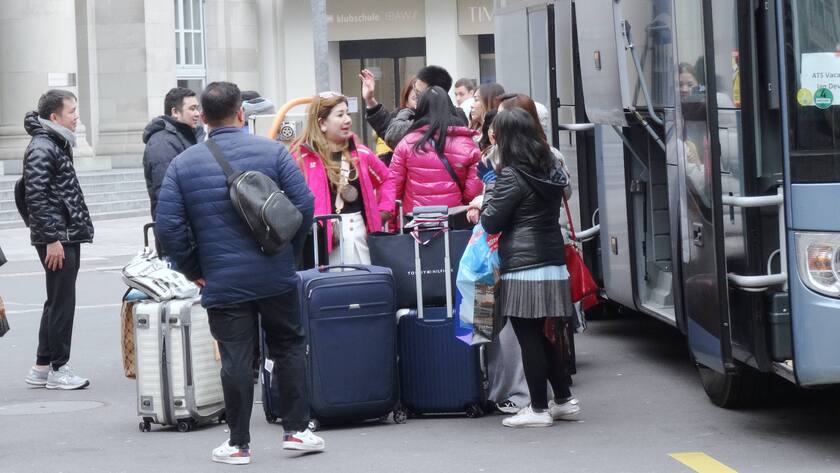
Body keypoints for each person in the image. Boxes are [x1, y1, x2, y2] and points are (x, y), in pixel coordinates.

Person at [155, 81, 323, 464]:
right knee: (288, 345)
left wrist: (195, 269)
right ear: (240, 113)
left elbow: (167, 226)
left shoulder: (184, 164)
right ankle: (296, 430)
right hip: (275, 273)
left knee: (234, 358)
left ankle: (239, 443)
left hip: (223, 280)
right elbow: (304, 204)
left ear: (204, 119)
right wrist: (287, 253)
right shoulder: (273, 152)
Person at [480, 108, 581, 428]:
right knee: (543, 333)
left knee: (528, 335)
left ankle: (538, 409)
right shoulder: (551, 168)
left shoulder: (511, 175)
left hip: (524, 265)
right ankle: (563, 399)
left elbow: (491, 219)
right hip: (552, 261)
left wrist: (488, 191)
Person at [22, 89, 94, 390]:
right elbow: (35, 196)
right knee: (62, 302)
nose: (76, 117)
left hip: (61, 234)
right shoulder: (43, 146)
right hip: (58, 237)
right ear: (55, 117)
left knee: (56, 301)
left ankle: (42, 367)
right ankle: (59, 368)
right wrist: (53, 238)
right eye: (72, 112)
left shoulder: (54, 142)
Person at [291, 92, 394, 265]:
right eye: (340, 115)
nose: (348, 120)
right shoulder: (301, 158)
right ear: (322, 123)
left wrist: (383, 210)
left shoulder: (362, 153)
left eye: (347, 113)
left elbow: (387, 179)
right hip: (319, 241)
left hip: (360, 236)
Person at [388, 85, 482, 215]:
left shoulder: (407, 143)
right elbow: (472, 192)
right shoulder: (467, 144)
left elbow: (393, 189)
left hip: (416, 223)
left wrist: (393, 227)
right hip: (454, 220)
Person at [361, 65, 467, 149]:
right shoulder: (457, 117)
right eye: (414, 90)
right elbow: (389, 130)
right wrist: (370, 100)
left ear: (435, 95)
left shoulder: (430, 124)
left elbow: (393, 135)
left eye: (418, 93)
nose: (415, 96)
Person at [142, 87, 204, 219]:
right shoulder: (162, 142)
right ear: (175, 112)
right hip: (178, 228)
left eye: (197, 108)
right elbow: (167, 196)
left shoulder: (187, 136)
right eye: (192, 109)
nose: (198, 114)